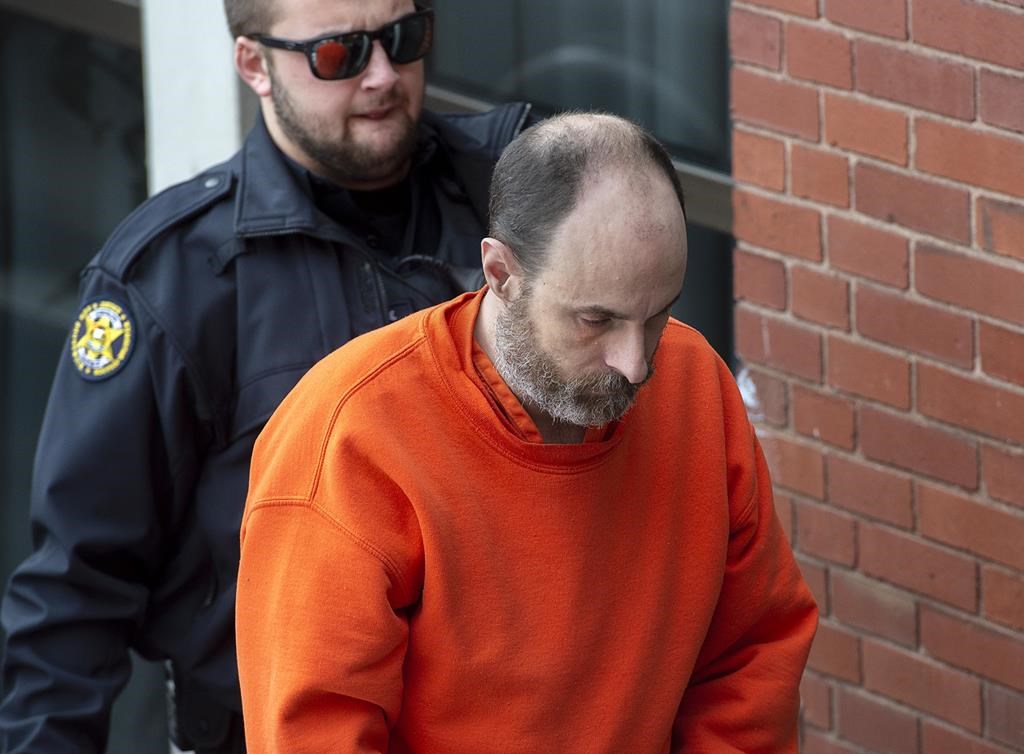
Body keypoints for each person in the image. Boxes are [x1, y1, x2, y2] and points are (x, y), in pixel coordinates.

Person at [0, 0, 532, 750]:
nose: (384, 75)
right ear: (254, 64)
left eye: (403, 38)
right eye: (339, 55)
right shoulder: (171, 282)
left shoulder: (520, 197)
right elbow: (75, 595)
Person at [235, 112, 819, 753]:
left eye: (659, 314)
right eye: (596, 319)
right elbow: (317, 734)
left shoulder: (694, 384)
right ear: (501, 274)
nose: (636, 363)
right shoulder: (349, 439)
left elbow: (751, 658)